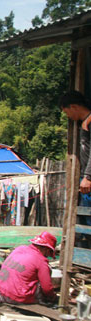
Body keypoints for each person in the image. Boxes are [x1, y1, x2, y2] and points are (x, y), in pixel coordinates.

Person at [0, 231, 57, 304]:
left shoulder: (20, 248)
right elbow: (47, 288)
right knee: (45, 277)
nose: (47, 256)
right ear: (47, 249)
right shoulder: (41, 261)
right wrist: (53, 297)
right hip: (15, 298)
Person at [60, 91, 91, 235]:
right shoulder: (84, 122)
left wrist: (88, 177)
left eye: (67, 112)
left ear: (73, 106)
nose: (68, 116)